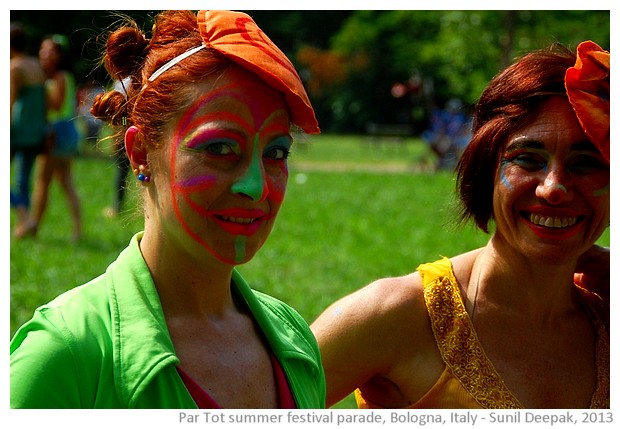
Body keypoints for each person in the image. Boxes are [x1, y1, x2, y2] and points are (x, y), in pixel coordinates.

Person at [10, 10, 324, 409]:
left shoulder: (295, 341)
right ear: (140, 152)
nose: (255, 186)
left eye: (276, 153)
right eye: (219, 148)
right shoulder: (65, 355)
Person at [312, 41, 610, 409]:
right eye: (528, 160)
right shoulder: (396, 316)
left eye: (586, 164)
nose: (554, 188)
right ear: (486, 169)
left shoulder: (608, 318)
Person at [15, 34, 82, 241]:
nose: (44, 55)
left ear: (59, 56)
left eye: (50, 51)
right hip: (68, 133)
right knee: (65, 181)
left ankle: (31, 226)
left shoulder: (58, 77)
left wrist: (39, 90)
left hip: (56, 133)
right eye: (42, 50)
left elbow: (55, 105)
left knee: (41, 182)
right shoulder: (64, 76)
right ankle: (77, 230)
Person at [10, 22, 48, 237]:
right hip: (36, 129)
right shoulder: (36, 64)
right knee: (24, 177)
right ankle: (26, 224)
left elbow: (11, 101)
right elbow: (43, 101)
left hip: (17, 128)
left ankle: (24, 216)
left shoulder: (14, 67)